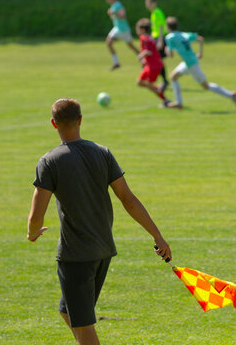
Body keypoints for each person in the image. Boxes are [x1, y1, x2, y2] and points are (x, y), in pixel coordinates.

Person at [27, 98, 172, 344]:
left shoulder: (49, 161)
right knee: (67, 311)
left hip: (76, 255)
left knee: (84, 325)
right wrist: (157, 236)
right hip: (103, 250)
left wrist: (32, 233)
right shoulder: (102, 153)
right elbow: (128, 199)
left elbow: (36, 215)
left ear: (53, 124)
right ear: (80, 120)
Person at [163, 16, 236, 109]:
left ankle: (231, 95)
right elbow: (200, 39)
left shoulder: (169, 37)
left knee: (206, 86)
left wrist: (166, 50)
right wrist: (200, 53)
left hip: (191, 64)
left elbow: (170, 55)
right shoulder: (183, 34)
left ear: (168, 27)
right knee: (173, 77)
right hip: (189, 61)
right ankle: (179, 103)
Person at [135, 18, 171, 107]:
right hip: (150, 65)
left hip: (154, 66)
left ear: (142, 30)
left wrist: (140, 56)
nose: (136, 30)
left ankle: (165, 100)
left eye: (138, 29)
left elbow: (148, 51)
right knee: (139, 82)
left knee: (149, 85)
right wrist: (144, 61)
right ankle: (159, 88)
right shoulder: (149, 37)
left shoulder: (144, 38)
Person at [105, 0, 140, 71]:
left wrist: (114, 13)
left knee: (131, 46)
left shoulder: (118, 5)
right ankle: (116, 63)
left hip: (123, 29)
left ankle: (144, 60)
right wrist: (111, 14)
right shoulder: (113, 6)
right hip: (117, 28)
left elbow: (123, 16)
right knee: (109, 42)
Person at [145, 0, 169, 91]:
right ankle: (161, 80)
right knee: (157, 60)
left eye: (149, 3)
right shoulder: (153, 13)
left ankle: (164, 81)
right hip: (156, 38)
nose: (147, 5)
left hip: (160, 38)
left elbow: (161, 27)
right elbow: (154, 28)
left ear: (154, 3)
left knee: (158, 60)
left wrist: (160, 41)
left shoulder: (158, 12)